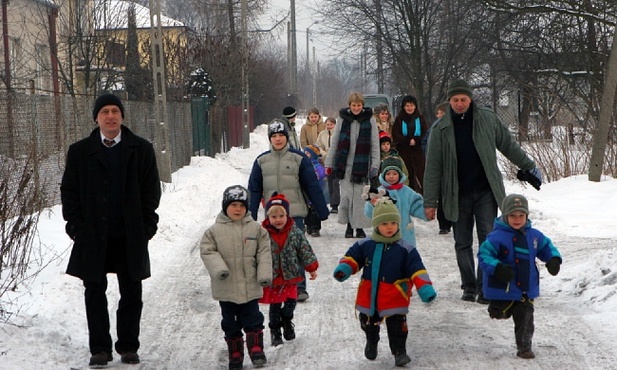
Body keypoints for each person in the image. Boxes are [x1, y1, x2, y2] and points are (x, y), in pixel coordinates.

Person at [60, 93, 162, 367]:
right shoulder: (80, 151)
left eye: (115, 111)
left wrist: (146, 226)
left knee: (131, 292)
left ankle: (128, 345)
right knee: (94, 291)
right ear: (96, 117)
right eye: (104, 111)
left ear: (122, 116)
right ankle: (100, 349)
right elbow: (69, 191)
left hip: (129, 235)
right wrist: (76, 227)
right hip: (92, 235)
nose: (110, 116)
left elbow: (152, 190)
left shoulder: (140, 149)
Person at [423, 79, 543, 304]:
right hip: (457, 194)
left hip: (486, 190)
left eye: (463, 99)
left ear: (470, 99)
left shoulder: (487, 119)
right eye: (455, 100)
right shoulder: (440, 129)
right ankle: (469, 286)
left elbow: (507, 145)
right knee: (462, 242)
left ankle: (484, 286)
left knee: (488, 240)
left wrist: (528, 166)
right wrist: (430, 202)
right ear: (449, 101)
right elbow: (433, 168)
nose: (460, 103)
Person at [333, 198, 436, 367]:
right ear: (376, 225)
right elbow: (352, 258)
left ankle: (399, 352)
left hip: (395, 294)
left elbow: (418, 270)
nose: (390, 227)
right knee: (368, 322)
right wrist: (344, 269)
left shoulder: (406, 249)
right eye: (385, 223)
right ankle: (371, 341)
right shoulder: (365, 245)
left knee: (398, 327)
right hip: (370, 294)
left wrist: (425, 288)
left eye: (393, 223)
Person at [248, 120, 329, 302]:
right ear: (270, 139)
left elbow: (311, 185)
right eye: (274, 136)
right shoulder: (261, 161)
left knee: (295, 249)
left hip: (295, 212)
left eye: (281, 136)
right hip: (272, 214)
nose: (278, 139)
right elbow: (254, 189)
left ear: (286, 137)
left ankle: (299, 287)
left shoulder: (299, 158)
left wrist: (321, 210)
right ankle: (275, 284)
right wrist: (251, 214)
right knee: (272, 249)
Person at [478, 194, 562, 359]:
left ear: (526, 216)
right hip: (504, 286)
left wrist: (553, 259)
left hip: (525, 288)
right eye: (512, 216)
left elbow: (547, 247)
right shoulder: (496, 237)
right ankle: (498, 309)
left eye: (521, 215)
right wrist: (497, 267)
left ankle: (524, 347)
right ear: (505, 216)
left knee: (525, 319)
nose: (517, 219)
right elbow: (484, 255)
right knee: (500, 312)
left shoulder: (534, 236)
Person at [199, 185, 272, 369]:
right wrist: (219, 269)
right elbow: (207, 251)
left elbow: (264, 252)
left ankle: (256, 349)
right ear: (225, 207)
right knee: (230, 323)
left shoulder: (256, 229)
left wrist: (264, 274)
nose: (238, 209)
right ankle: (235, 352)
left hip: (250, 286)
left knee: (253, 318)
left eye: (241, 205)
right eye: (233, 205)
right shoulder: (214, 231)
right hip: (227, 287)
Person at [259, 193, 318, 347]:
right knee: (275, 305)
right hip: (273, 276)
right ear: (268, 217)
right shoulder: (263, 233)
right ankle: (275, 332)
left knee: (291, 302)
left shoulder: (294, 232)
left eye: (281, 215)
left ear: (287, 214)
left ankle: (287, 319)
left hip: (291, 275)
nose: (278, 220)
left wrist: (311, 268)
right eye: (274, 217)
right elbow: (256, 252)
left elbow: (304, 250)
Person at [324, 92, 381, 239]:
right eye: (354, 105)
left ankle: (360, 227)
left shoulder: (370, 121)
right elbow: (335, 143)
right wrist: (329, 163)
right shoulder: (342, 120)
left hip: (363, 166)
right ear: (350, 106)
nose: (356, 108)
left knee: (361, 198)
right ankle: (349, 225)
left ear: (363, 106)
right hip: (345, 165)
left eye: (359, 105)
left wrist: (375, 164)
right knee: (347, 197)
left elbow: (375, 144)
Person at [364, 156, 426, 248]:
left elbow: (417, 206)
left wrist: (427, 212)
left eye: (394, 174)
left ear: (400, 174)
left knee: (406, 258)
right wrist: (372, 205)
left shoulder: (407, 192)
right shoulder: (379, 192)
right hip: (384, 235)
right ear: (383, 175)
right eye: (388, 174)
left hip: (405, 236)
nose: (391, 176)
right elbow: (368, 213)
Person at [421, 102, 452, 235]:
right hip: (438, 166)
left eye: (443, 113)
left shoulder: (452, 128)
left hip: (451, 167)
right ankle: (443, 224)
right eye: (438, 113)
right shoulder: (433, 128)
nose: (440, 116)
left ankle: (452, 220)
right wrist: (428, 154)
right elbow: (425, 142)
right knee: (441, 194)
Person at [392, 95, 429, 194]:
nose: (409, 108)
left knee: (420, 175)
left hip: (418, 152)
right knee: (407, 175)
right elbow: (395, 134)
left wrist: (416, 140)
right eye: (407, 106)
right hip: (404, 152)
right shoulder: (399, 119)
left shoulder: (420, 118)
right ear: (403, 107)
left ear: (415, 106)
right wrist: (407, 140)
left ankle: (421, 195)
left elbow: (425, 132)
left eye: (411, 105)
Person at [315, 116, 340, 214]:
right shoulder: (322, 134)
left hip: (337, 162)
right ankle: (331, 202)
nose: (329, 126)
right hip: (326, 161)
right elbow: (318, 145)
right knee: (329, 182)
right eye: (328, 124)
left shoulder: (338, 134)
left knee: (335, 183)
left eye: (331, 124)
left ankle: (335, 204)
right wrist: (323, 153)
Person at [303, 145, 327, 237]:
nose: (305, 155)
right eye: (305, 153)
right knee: (307, 211)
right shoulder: (304, 165)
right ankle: (308, 225)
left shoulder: (317, 166)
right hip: (306, 191)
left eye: (308, 153)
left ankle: (315, 228)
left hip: (316, 191)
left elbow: (321, 174)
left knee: (315, 211)